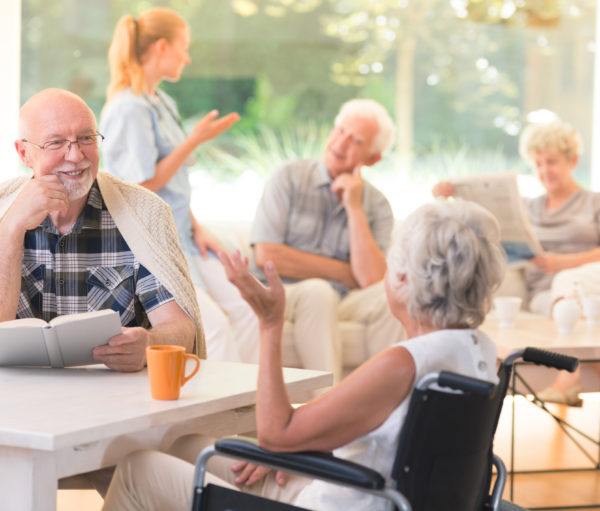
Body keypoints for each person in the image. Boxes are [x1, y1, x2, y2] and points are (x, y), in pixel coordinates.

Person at [101, 198, 506, 510]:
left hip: (342, 501)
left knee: (138, 468)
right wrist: (290, 450)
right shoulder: (479, 353)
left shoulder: (403, 363)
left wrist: (270, 322)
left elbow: (277, 433)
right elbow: (389, 442)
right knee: (183, 446)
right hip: (367, 490)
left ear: (401, 279)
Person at [0, 88, 204, 372]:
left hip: (118, 399)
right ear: (24, 153)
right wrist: (10, 229)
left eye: (86, 138)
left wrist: (150, 344)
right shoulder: (3, 209)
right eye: (56, 142)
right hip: (17, 400)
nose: (75, 155)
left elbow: (181, 328)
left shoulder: (144, 212)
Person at [100, 7, 258, 363]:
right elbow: (139, 188)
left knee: (249, 306)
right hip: (154, 243)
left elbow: (174, 185)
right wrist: (194, 141)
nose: (187, 57)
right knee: (212, 326)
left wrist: (198, 227)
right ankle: (218, 410)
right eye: (183, 47)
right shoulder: (128, 108)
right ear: (160, 47)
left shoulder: (161, 101)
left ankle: (251, 405)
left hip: (184, 234)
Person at [433, 119, 600, 406]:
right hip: (544, 295)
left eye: (552, 161)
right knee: (560, 303)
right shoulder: (528, 208)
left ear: (573, 160)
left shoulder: (593, 203)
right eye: (538, 163)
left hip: (588, 284)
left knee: (570, 286)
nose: (544, 170)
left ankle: (569, 378)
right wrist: (445, 198)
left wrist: (563, 262)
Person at [250, 98, 405, 383]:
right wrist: (345, 272)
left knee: (393, 294)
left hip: (343, 298)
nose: (341, 142)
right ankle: (328, 410)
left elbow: (371, 279)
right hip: (285, 292)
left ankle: (386, 403)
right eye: (340, 130)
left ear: (373, 158)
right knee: (318, 292)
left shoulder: (378, 205)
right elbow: (267, 256)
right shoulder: (289, 177)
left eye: (356, 139)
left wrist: (354, 208)